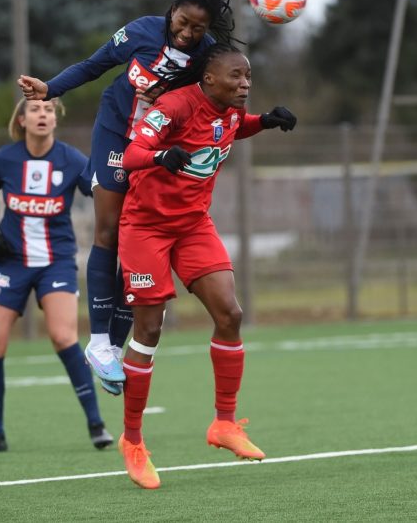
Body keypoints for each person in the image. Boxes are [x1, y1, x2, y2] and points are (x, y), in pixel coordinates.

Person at [17, 0, 236, 395]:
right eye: (182, 22)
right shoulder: (141, 31)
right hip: (117, 132)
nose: (187, 33)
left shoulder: (206, 56)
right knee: (110, 229)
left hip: (158, 146)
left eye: (198, 28)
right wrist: (50, 88)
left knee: (137, 242)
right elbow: (94, 65)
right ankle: (98, 341)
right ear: (171, 11)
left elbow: (211, 98)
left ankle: (114, 349)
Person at [113, 43, 297, 489]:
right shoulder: (175, 106)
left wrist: (264, 122)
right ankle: (133, 440)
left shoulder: (231, 109)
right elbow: (133, 152)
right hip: (146, 227)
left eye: (248, 76)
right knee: (149, 329)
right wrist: (160, 156)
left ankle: (224, 423)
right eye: (236, 76)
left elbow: (228, 130)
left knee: (230, 314)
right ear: (209, 79)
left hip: (193, 225)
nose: (245, 83)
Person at [0, 97, 113, 454]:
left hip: (56, 261)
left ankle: (96, 424)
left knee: (63, 336)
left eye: (48, 110)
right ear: (21, 120)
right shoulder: (5, 159)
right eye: (35, 110)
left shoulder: (72, 160)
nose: (42, 114)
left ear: (55, 119)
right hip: (10, 263)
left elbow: (99, 191)